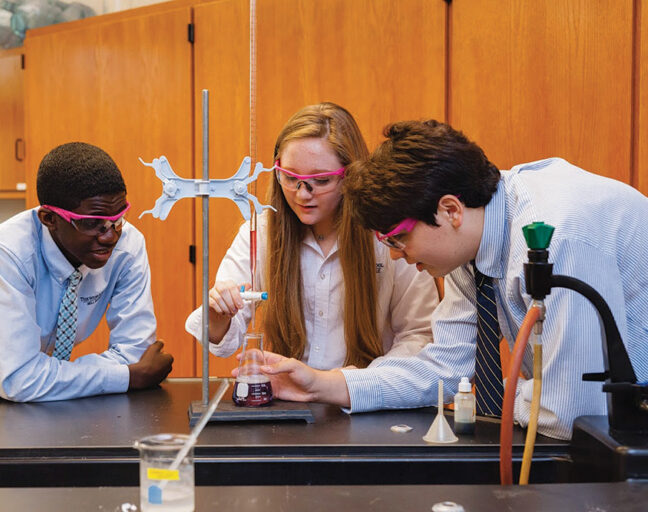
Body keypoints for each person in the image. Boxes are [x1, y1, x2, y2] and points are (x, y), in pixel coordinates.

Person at [255, 119, 648, 440]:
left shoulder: (557, 235)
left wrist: (520, 394)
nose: (396, 254)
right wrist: (323, 385)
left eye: (399, 237)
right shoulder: (471, 245)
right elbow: (445, 367)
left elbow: (571, 411)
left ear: (449, 210)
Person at [185, 103, 438, 372]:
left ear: (351, 174)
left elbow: (419, 336)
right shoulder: (261, 232)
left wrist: (355, 385)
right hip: (290, 401)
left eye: (321, 181)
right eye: (291, 177)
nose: (302, 194)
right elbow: (222, 339)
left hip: (365, 404)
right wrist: (218, 312)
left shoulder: (386, 234)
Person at [0, 142, 173, 402]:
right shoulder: (9, 249)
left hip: (19, 373)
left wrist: (24, 376)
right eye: (91, 223)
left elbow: (134, 354)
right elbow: (20, 380)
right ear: (49, 219)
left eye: (118, 218)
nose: (110, 236)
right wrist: (130, 377)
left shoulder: (129, 247)